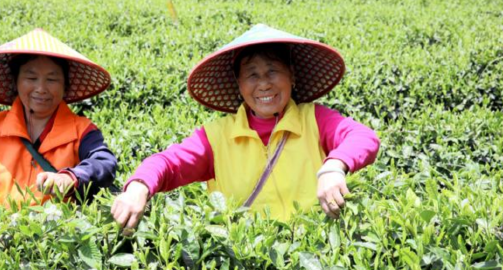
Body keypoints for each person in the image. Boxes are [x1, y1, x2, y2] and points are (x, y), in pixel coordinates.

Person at [112, 24, 379, 227]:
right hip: (249, 261)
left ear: (292, 76)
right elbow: (169, 163)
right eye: (252, 74)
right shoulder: (216, 137)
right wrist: (138, 187)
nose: (263, 83)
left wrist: (333, 167)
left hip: (315, 251)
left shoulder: (314, 119)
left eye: (273, 70)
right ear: (239, 85)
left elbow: (363, 137)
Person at [0, 28, 117, 220]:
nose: (41, 89)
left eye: (52, 79)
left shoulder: (82, 130)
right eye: (31, 78)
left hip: (57, 243)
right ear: (15, 82)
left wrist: (71, 178)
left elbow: (104, 162)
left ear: (65, 86)